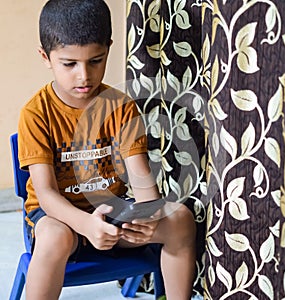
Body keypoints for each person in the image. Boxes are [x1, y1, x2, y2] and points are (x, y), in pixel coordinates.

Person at [18, 0, 196, 299]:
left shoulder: (121, 107)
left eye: (96, 60)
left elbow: (140, 179)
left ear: (109, 49)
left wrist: (148, 218)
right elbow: (46, 195)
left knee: (180, 220)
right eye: (69, 64)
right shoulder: (36, 113)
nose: (84, 76)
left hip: (113, 213)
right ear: (45, 57)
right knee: (54, 236)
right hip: (61, 218)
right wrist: (86, 224)